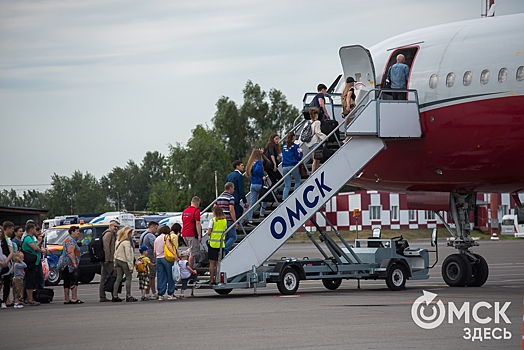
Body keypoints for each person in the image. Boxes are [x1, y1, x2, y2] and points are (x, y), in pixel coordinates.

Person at [21, 222, 46, 306]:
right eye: (35, 229)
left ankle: (31, 297)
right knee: (30, 280)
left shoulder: (32, 238)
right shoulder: (28, 238)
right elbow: (35, 248)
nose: (36, 231)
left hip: (34, 262)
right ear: (31, 229)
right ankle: (29, 298)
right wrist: (42, 251)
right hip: (30, 263)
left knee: (33, 280)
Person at [58, 226, 83, 304]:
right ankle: (74, 298)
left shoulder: (69, 240)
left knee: (67, 280)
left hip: (65, 264)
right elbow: (70, 252)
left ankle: (67, 298)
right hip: (69, 264)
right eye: (77, 231)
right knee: (74, 280)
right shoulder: (70, 241)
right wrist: (74, 263)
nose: (78, 233)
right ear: (72, 232)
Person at [113, 226, 137, 302]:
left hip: (118, 260)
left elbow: (115, 252)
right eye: (130, 233)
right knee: (128, 278)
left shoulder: (118, 240)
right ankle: (128, 295)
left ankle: (115, 295)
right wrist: (131, 266)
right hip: (124, 261)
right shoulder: (126, 242)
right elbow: (128, 255)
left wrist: (114, 263)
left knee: (118, 278)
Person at [154, 225, 177, 300]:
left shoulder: (156, 239)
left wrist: (156, 257)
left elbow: (154, 251)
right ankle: (170, 293)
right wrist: (174, 254)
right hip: (166, 258)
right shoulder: (166, 237)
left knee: (160, 276)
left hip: (158, 258)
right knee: (169, 275)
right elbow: (169, 246)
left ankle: (160, 294)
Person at [245, 149, 267, 226]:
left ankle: (249, 219)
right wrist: (262, 176)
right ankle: (262, 212)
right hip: (258, 183)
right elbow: (258, 170)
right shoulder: (258, 162)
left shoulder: (251, 163)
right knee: (265, 197)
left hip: (252, 184)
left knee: (252, 203)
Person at [99, 219, 119, 302]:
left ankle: (102, 296)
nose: (116, 228)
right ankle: (114, 295)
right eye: (115, 226)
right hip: (108, 260)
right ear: (110, 226)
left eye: (117, 227)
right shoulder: (108, 234)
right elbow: (106, 247)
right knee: (114, 276)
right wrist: (107, 259)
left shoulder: (110, 234)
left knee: (104, 278)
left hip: (107, 259)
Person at [302, 107, 327, 173]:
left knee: (315, 158)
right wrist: (325, 137)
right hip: (315, 142)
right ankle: (313, 173)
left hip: (309, 143)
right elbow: (317, 132)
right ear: (316, 115)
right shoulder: (317, 122)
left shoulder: (307, 123)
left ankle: (315, 172)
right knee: (316, 160)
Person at [215, 182, 237, 254]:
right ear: (230, 188)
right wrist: (235, 221)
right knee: (233, 237)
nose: (233, 190)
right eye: (233, 188)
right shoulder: (230, 197)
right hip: (228, 220)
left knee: (225, 237)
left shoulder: (219, 197)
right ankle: (224, 250)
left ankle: (222, 250)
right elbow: (231, 210)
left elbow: (214, 208)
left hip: (220, 220)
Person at [139, 220, 159, 300]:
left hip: (143, 258)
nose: (156, 230)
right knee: (152, 276)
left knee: (146, 276)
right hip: (150, 257)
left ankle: (146, 293)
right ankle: (153, 292)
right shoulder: (151, 236)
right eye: (156, 228)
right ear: (152, 227)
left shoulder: (143, 234)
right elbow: (155, 245)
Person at [207, 205, 227, 285]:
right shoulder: (225, 221)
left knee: (212, 263)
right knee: (218, 263)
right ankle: (217, 278)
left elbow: (209, 232)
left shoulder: (213, 220)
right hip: (221, 244)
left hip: (212, 244)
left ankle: (212, 280)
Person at [281, 131, 304, 200]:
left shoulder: (284, 146)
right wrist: (301, 152)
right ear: (293, 138)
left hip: (284, 166)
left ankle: (284, 199)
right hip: (292, 165)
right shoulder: (295, 146)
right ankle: (294, 197)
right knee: (297, 181)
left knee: (287, 185)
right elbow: (298, 157)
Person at [181, 196, 202, 269]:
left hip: (184, 233)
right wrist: (199, 235)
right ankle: (190, 269)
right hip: (191, 233)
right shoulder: (196, 211)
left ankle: (186, 266)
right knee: (193, 253)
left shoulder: (185, 211)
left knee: (190, 249)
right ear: (197, 203)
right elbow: (197, 223)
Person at [0, 225, 14, 308]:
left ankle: (5, 300)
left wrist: (6, 261)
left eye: (1, 231)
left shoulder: (7, 240)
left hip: (6, 263)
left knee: (7, 283)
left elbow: (11, 252)